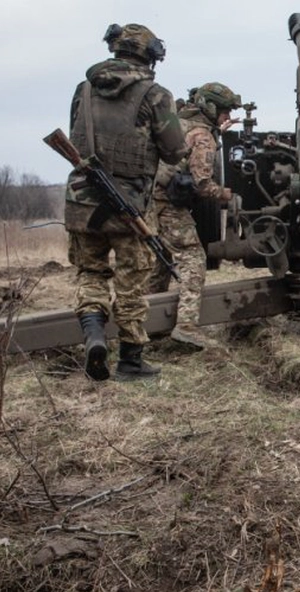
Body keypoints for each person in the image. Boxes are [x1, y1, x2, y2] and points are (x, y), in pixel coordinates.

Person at [63, 23, 187, 381]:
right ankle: (131, 360)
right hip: (128, 207)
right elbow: (174, 149)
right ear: (150, 56)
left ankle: (95, 335)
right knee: (132, 282)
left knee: (91, 273)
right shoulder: (156, 95)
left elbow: (76, 138)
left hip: (82, 202)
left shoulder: (83, 89)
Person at [147, 82, 242, 349]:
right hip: (168, 204)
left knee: (161, 260)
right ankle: (186, 326)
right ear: (210, 108)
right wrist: (225, 194)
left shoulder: (180, 123)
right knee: (192, 258)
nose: (225, 116)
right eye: (223, 111)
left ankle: (144, 323)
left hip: (149, 201)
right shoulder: (202, 136)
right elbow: (202, 184)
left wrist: (217, 132)